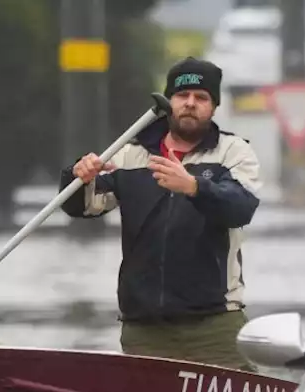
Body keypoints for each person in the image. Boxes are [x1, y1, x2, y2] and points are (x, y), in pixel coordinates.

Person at [59, 57, 262, 371]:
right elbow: (83, 206)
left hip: (215, 324)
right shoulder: (129, 153)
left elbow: (241, 207)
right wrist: (77, 175)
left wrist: (194, 187)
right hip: (145, 328)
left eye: (201, 97)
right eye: (182, 96)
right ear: (170, 102)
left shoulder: (233, 152)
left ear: (214, 106)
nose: (190, 104)